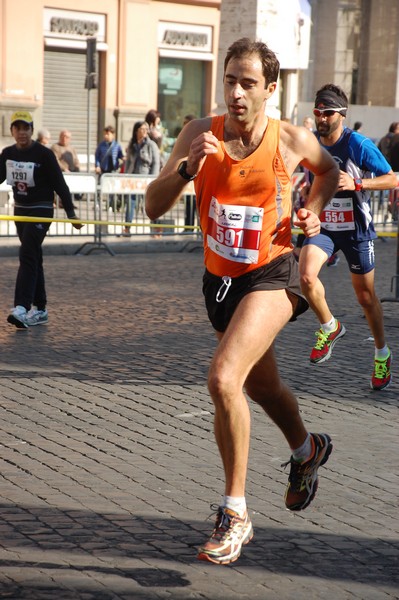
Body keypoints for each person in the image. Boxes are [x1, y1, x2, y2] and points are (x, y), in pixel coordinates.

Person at [146, 37, 339, 565]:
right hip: (220, 282)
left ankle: (236, 513)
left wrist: (312, 211)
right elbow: (152, 209)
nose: (236, 92)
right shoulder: (197, 134)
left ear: (270, 90)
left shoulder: (291, 139)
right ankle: (307, 449)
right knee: (266, 386)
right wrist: (186, 169)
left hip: (275, 275)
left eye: (248, 83)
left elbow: (329, 171)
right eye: (229, 80)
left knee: (223, 377)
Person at [299, 83, 397, 391]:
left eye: (327, 112)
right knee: (305, 277)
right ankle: (330, 326)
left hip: (355, 230)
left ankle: (382, 353)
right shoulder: (312, 143)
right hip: (324, 227)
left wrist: (358, 185)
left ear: (342, 115)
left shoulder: (358, 145)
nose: (321, 118)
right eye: (317, 112)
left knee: (366, 298)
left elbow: (394, 178)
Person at [0, 111, 83, 329]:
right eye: (17, 128)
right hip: (20, 212)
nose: (22, 133)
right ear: (12, 131)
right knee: (34, 256)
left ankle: (21, 307)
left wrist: (72, 214)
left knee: (27, 253)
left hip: (41, 211)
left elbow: (60, 185)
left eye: (25, 128)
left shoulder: (44, 154)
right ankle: (41, 309)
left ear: (31, 130)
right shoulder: (7, 153)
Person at [123, 120, 160, 235]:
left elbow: (156, 163)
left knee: (151, 204)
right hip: (133, 179)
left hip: (147, 179)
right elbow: (128, 162)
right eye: (142, 129)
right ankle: (127, 228)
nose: (144, 132)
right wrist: (126, 176)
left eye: (146, 129)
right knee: (130, 202)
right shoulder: (132, 145)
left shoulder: (151, 145)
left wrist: (153, 179)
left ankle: (156, 228)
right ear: (136, 131)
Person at [95, 125, 124, 213]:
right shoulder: (101, 145)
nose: (105, 136)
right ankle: (98, 204)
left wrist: (124, 160)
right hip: (103, 170)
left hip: (113, 170)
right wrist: (97, 166)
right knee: (100, 187)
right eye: (105, 134)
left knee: (112, 189)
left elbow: (120, 156)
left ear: (113, 135)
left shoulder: (117, 146)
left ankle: (110, 205)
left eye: (108, 134)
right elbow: (97, 157)